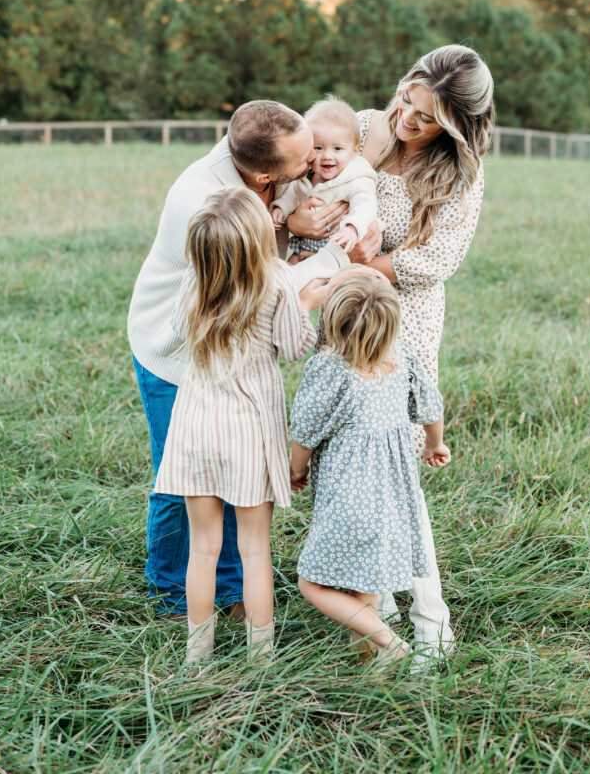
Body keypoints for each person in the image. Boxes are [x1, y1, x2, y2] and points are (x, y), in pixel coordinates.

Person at [289, 45, 494, 660]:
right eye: (408, 99)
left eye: (427, 117)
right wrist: (303, 228)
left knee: (397, 473)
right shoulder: (355, 127)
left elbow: (436, 262)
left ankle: (431, 623)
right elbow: (291, 180)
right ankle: (367, 614)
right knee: (345, 462)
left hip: (397, 323)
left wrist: (360, 264)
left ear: (456, 127)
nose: (408, 119)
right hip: (341, 316)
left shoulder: (461, 175)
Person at [128, 100, 349, 616]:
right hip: (177, 350)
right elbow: (251, 289)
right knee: (179, 474)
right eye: (303, 160)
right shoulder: (199, 198)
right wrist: (328, 261)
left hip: (231, 352)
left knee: (236, 471)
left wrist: (294, 218)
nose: (313, 163)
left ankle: (226, 589)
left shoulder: (266, 156)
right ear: (264, 173)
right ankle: (171, 593)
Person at [154, 188, 326, 666]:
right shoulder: (276, 281)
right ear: (257, 237)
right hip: (249, 430)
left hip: (195, 429)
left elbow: (175, 333)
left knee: (203, 549)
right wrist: (306, 302)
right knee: (254, 551)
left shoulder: (195, 281)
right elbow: (295, 347)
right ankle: (261, 655)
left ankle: (197, 653)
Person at [289, 269, 449, 671]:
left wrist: (295, 470)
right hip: (394, 495)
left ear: (332, 321)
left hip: (347, 497)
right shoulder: (403, 356)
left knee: (311, 584)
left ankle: (388, 641)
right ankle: (373, 669)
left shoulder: (329, 367)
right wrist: (435, 445)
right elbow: (430, 409)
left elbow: (306, 431)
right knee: (363, 589)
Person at [270, 98, 378, 260]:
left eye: (337, 149)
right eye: (318, 148)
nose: (327, 156)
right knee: (287, 275)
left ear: (354, 151)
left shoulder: (356, 179)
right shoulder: (306, 176)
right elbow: (292, 195)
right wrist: (281, 209)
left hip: (341, 248)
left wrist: (352, 228)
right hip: (306, 245)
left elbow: (366, 206)